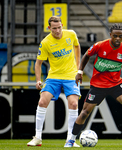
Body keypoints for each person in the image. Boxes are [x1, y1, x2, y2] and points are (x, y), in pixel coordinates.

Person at [65, 23, 122, 147]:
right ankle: (71, 139)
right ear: (110, 35)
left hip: (115, 84)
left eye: (121, 36)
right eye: (115, 36)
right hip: (98, 85)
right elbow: (86, 55)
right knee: (85, 112)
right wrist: (79, 72)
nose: (118, 39)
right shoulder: (100, 45)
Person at [27, 16, 81, 147]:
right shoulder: (45, 42)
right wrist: (38, 80)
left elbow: (77, 47)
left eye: (59, 27)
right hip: (53, 76)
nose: (57, 31)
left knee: (73, 104)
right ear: (49, 28)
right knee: (42, 101)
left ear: (62, 25)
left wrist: (78, 69)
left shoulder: (71, 34)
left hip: (70, 76)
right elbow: (38, 63)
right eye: (54, 28)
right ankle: (38, 137)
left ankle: (70, 139)